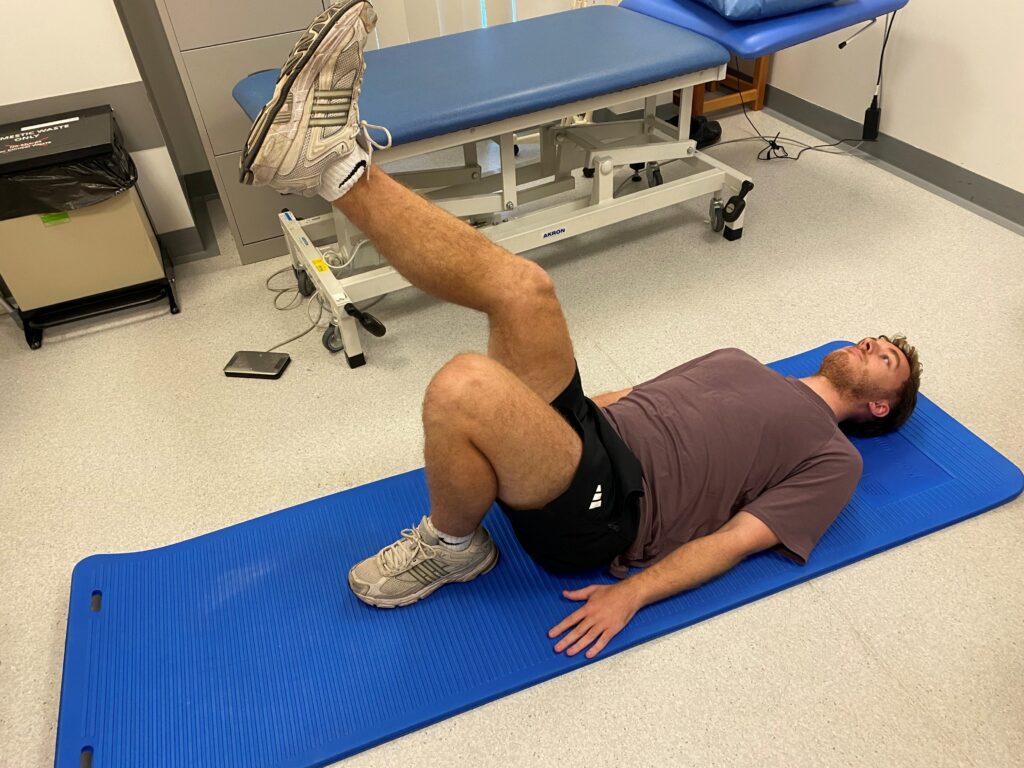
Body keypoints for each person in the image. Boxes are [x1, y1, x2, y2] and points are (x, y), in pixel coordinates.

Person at [241, 1, 923, 659]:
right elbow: (635, 397)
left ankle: (453, 548)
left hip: (612, 510)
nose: (872, 344)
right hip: (586, 444)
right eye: (876, 339)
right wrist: (530, 431)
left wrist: (633, 594)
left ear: (879, 407)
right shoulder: (744, 362)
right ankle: (337, 162)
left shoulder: (835, 459)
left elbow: (739, 539)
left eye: (886, 358)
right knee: (525, 287)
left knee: (463, 386)